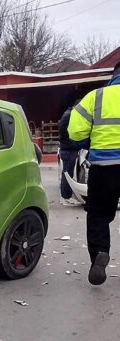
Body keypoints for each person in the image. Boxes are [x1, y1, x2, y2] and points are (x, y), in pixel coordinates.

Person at [68, 61, 120, 285]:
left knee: (98, 214)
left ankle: (99, 253)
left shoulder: (95, 97)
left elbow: (75, 133)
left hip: (104, 169)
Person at [58, 100, 83, 206]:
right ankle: (65, 197)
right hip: (68, 149)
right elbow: (62, 131)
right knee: (67, 173)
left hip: (70, 148)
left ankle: (67, 196)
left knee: (69, 173)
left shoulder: (71, 114)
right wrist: (71, 143)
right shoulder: (68, 115)